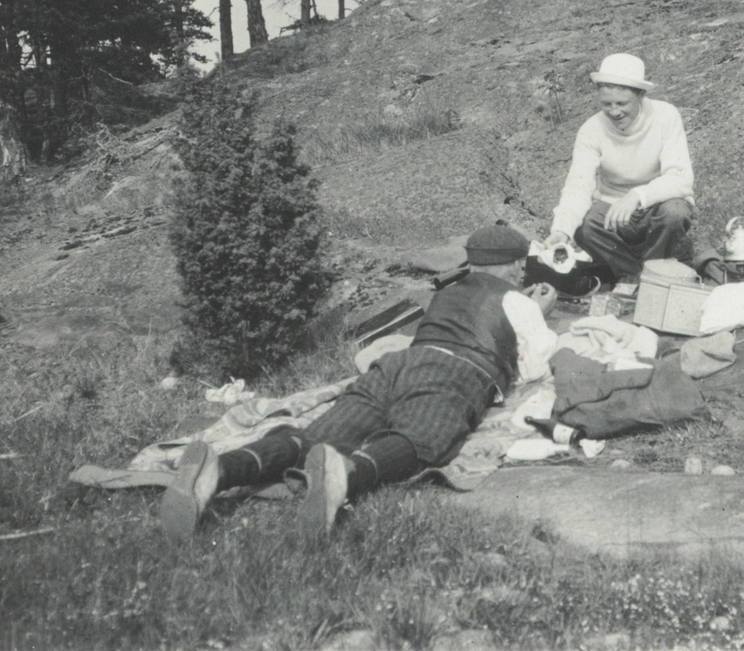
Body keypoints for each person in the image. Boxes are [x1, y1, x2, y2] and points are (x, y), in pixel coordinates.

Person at [160, 225, 558, 541]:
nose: (522, 273)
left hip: (397, 364)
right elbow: (537, 366)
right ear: (513, 266)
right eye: (521, 266)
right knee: (423, 437)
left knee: (317, 435)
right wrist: (540, 312)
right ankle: (344, 478)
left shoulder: (449, 292)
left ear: (472, 264)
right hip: (454, 371)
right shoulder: (518, 300)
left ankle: (224, 468)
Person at [543, 53, 694, 283]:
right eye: (606, 104)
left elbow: (680, 179)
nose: (614, 112)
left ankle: (655, 275)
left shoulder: (665, 116)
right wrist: (561, 229)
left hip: (654, 206)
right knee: (583, 225)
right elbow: (578, 185)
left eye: (622, 103)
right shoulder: (590, 130)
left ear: (640, 95)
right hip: (612, 212)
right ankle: (633, 275)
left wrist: (637, 195)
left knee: (675, 211)